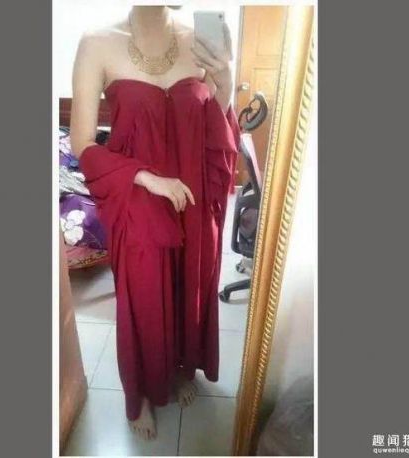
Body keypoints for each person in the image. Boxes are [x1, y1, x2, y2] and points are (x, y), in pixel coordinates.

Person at [70, 5, 239, 440]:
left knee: (189, 288)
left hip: (193, 199)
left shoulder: (199, 39)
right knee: (143, 299)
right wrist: (147, 179)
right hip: (138, 200)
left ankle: (182, 367)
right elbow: (82, 142)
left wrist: (224, 82)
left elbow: (211, 122)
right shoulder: (97, 43)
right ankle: (141, 391)